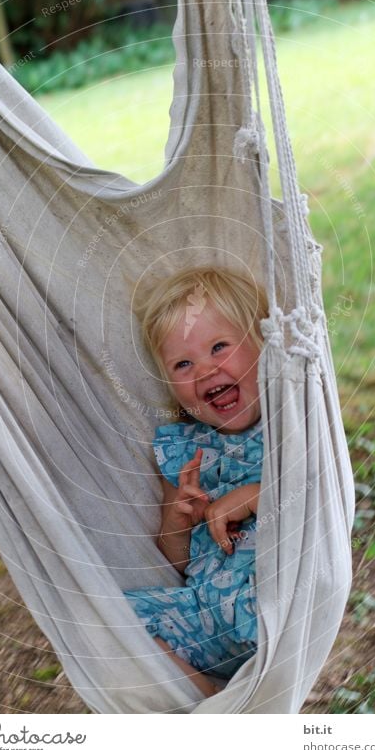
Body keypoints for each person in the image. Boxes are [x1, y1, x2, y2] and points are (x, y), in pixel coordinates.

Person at [124, 266, 268, 698]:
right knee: (110, 619)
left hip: (277, 611)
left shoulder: (292, 426)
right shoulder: (183, 450)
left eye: (220, 347)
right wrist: (179, 517)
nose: (205, 371)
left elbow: (325, 506)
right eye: (183, 363)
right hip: (202, 620)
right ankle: (206, 701)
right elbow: (178, 561)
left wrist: (254, 496)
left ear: (264, 346)